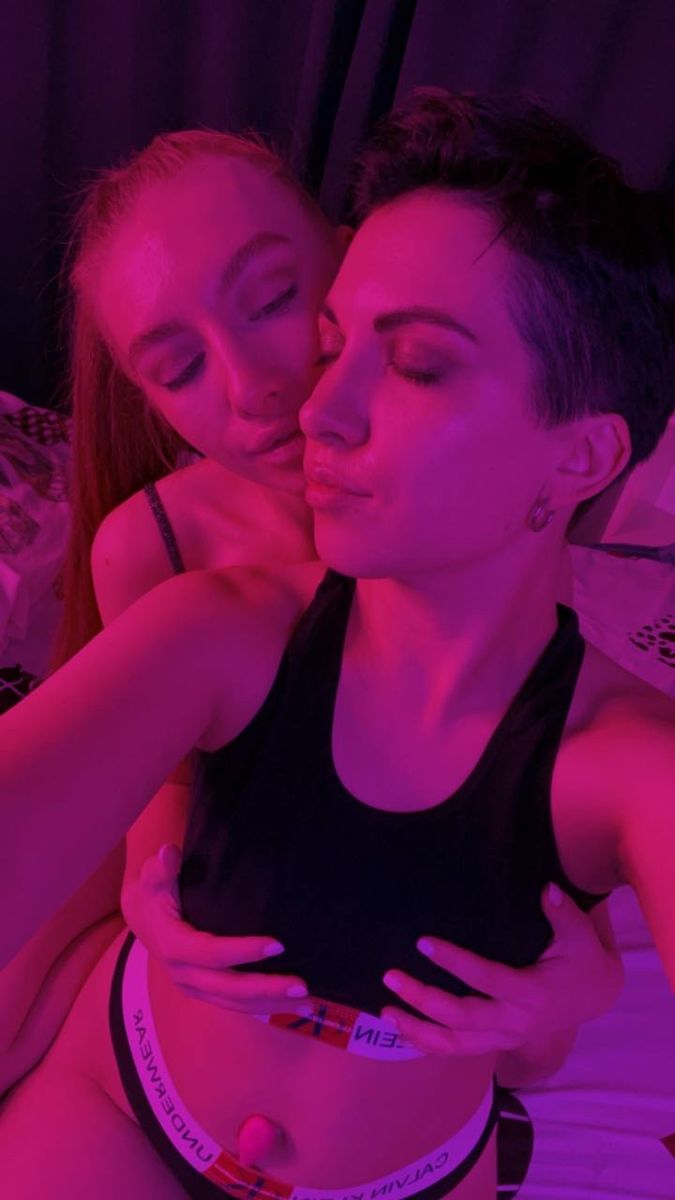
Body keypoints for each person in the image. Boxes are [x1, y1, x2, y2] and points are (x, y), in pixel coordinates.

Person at [1, 91, 673, 1199]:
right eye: (177, 367)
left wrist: (577, 996)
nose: (290, 401)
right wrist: (152, 891)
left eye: (287, 308)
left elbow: (547, 908)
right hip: (138, 1074)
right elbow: (109, 783)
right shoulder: (201, 601)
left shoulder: (602, 732)